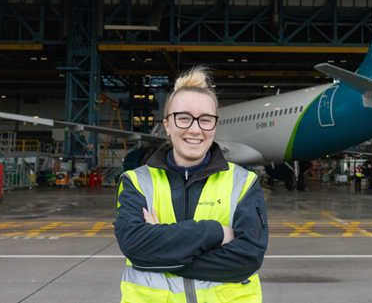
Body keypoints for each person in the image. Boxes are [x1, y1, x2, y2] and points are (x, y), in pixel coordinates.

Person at [114, 66, 268, 302]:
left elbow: (248, 258)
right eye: (184, 118)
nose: (195, 129)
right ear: (167, 125)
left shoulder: (244, 183)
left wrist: (159, 252)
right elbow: (134, 247)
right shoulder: (137, 182)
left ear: (214, 126)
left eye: (205, 120)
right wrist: (216, 232)